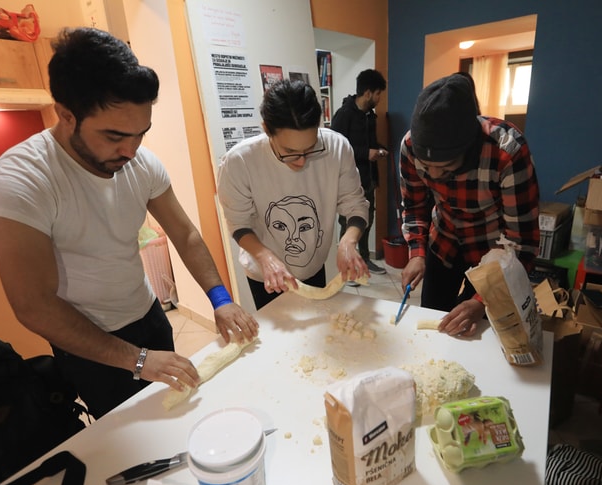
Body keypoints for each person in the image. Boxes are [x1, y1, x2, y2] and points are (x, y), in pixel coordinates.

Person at [0, 27, 259, 419]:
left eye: (140, 134)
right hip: (89, 342)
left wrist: (221, 300)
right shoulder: (21, 180)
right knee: (129, 441)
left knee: (173, 418)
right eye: (113, 136)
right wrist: (139, 361)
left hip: (148, 315)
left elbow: (185, 233)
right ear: (65, 114)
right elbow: (33, 305)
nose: (129, 150)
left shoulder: (140, 163)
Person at [399, 73, 539, 338]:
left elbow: (522, 243)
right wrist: (417, 254)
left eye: (446, 167)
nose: (434, 175)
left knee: (479, 334)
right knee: (436, 326)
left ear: (469, 147)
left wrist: (480, 301)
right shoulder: (409, 146)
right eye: (426, 167)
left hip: (494, 253)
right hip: (444, 243)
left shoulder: (507, 151)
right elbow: (415, 207)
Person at [217, 79, 370, 310]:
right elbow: (239, 224)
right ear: (266, 129)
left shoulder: (337, 147)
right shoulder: (239, 161)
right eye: (289, 152)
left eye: (310, 149)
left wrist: (349, 241)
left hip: (313, 266)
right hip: (267, 276)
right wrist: (266, 257)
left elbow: (355, 203)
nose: (301, 161)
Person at [330, 69, 388, 277]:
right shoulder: (344, 114)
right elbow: (335, 148)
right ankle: (345, 268)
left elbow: (370, 144)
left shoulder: (370, 116)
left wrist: (380, 149)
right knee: (348, 224)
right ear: (368, 92)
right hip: (348, 182)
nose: (380, 98)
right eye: (379, 93)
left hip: (368, 179)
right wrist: (366, 153)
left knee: (366, 221)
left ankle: (364, 260)